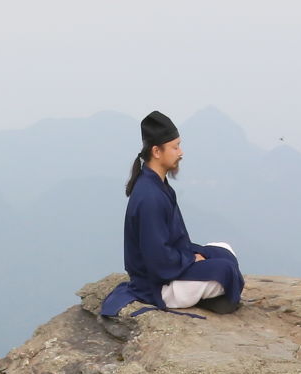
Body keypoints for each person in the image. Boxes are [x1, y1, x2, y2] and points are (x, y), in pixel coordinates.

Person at [100, 109, 244, 321]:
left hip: (173, 264)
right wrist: (190, 259)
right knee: (225, 270)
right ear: (156, 152)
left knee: (224, 249)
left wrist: (192, 256)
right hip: (159, 286)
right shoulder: (150, 197)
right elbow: (158, 260)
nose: (181, 152)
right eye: (175, 147)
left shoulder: (156, 184)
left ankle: (205, 292)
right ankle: (203, 297)